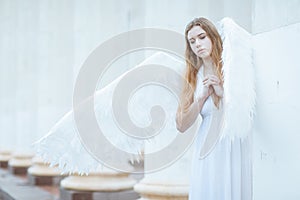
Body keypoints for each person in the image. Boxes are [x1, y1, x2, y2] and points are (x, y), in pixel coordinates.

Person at [176, 17, 252, 200]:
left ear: (212, 37)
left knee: (232, 189)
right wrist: (201, 99)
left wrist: (222, 92)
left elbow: (247, 109)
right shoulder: (192, 76)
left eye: (202, 37)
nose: (197, 44)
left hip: (233, 142)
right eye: (192, 41)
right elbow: (181, 124)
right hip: (207, 145)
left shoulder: (231, 67)